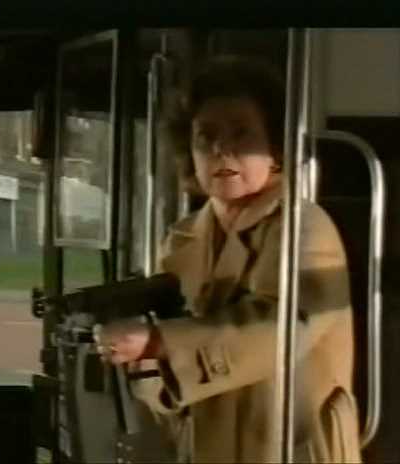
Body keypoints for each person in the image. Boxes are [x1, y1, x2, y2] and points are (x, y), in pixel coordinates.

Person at [94, 56, 361, 463]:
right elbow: (161, 375)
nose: (222, 149)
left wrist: (160, 341)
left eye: (242, 133)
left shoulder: (304, 225)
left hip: (288, 448)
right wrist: (139, 356)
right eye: (206, 137)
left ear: (274, 149)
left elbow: (285, 326)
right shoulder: (182, 238)